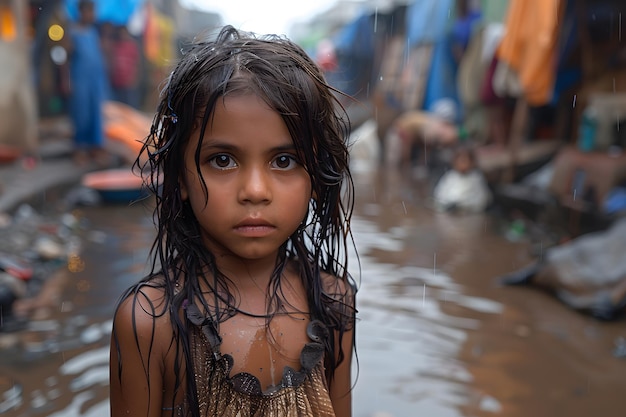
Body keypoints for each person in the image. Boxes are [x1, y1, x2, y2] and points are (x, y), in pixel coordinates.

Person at [109, 25, 358, 417]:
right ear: (180, 178)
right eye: (222, 160)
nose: (255, 190)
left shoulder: (333, 305)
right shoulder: (149, 324)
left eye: (284, 160)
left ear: (316, 179)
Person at [62, 0, 110, 165]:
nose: (91, 15)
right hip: (80, 80)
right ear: (81, 12)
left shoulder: (94, 33)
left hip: (96, 80)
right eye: (88, 12)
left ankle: (95, 149)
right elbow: (65, 60)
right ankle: (79, 149)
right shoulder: (72, 33)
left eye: (93, 12)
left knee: (96, 114)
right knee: (81, 115)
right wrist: (65, 81)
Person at [433, 144, 491, 212]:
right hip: (450, 213)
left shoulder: (476, 178)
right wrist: (448, 203)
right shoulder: (450, 177)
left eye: (464, 161)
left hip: (470, 214)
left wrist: (463, 205)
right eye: (459, 161)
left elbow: (482, 198)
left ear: (472, 162)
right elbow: (440, 194)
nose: (461, 164)